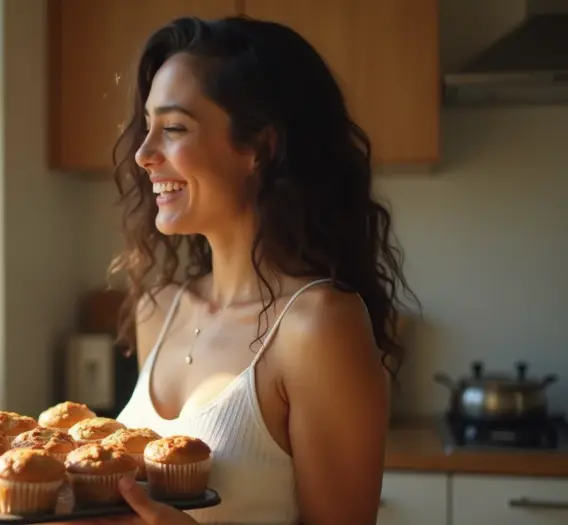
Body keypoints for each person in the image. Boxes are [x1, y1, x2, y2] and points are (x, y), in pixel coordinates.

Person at [65, 14, 417, 525]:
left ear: (259, 148)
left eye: (174, 128)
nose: (143, 154)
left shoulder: (319, 325)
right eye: (147, 127)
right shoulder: (158, 309)